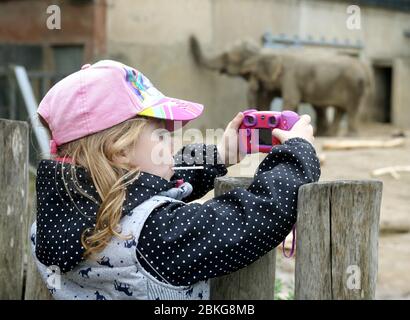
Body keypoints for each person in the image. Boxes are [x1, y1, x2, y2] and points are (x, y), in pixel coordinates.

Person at [30, 59, 320, 300]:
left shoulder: (49, 224)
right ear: (120, 152)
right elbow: (253, 217)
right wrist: (297, 152)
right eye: (161, 135)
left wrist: (218, 155)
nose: (171, 143)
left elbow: (150, 187)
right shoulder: (155, 235)